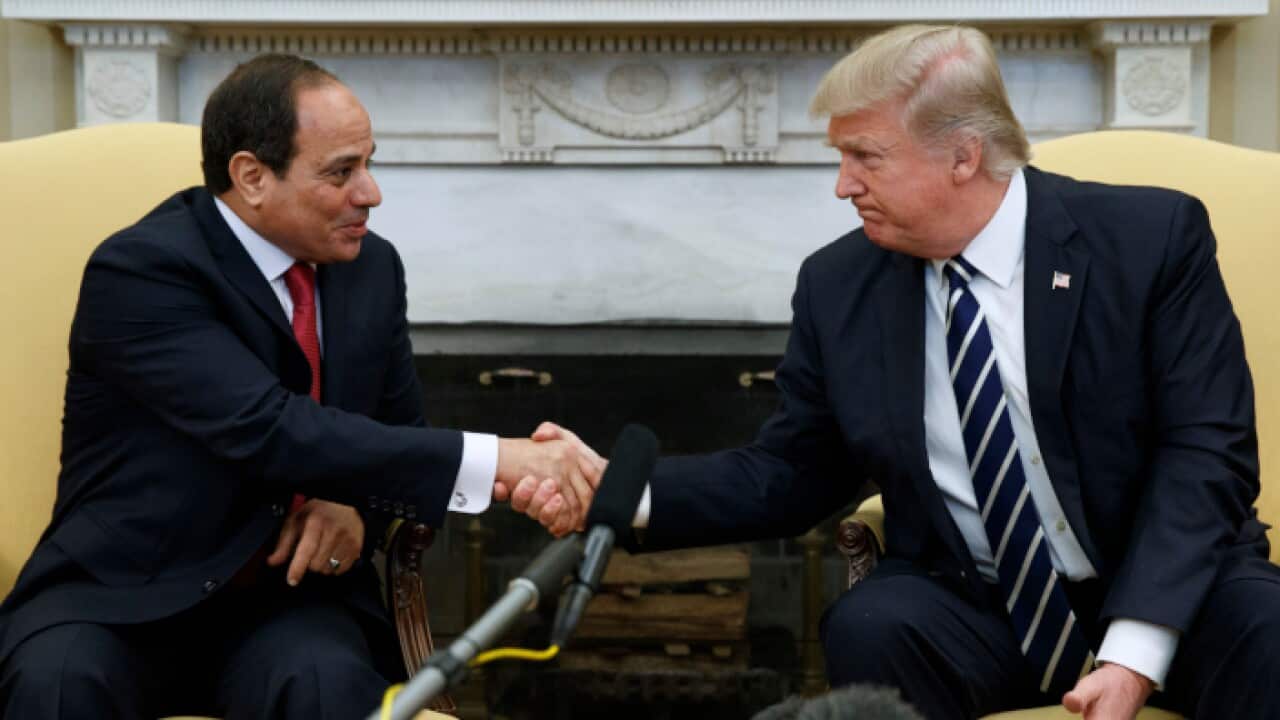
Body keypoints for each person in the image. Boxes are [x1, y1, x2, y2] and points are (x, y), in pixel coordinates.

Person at [535, 24, 1279, 720]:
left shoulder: (1150, 240)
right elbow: (791, 472)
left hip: (1168, 587)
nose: (842, 186)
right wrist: (615, 492)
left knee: (1267, 630)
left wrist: (1131, 654)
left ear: (963, 155)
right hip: (977, 606)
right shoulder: (839, 285)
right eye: (841, 158)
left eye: (866, 157)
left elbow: (1205, 454)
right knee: (872, 624)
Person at [0, 53, 599, 719]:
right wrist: (501, 459)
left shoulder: (371, 267)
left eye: (369, 163)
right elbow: (266, 427)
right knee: (56, 687)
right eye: (341, 172)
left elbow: (399, 439)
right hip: (123, 595)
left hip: (286, 601)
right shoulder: (143, 271)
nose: (370, 193)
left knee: (327, 685)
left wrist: (356, 510)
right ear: (251, 177)